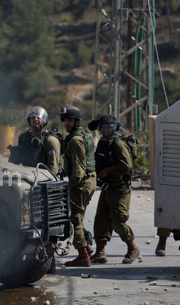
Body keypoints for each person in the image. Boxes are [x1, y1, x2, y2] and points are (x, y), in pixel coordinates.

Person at [88, 115, 140, 264]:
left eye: (108, 128)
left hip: (120, 189)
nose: (105, 131)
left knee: (117, 221)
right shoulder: (104, 143)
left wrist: (108, 171)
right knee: (101, 220)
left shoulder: (118, 144)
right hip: (107, 187)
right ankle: (100, 252)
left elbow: (126, 166)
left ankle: (132, 248)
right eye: (103, 128)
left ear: (114, 128)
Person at [60, 106, 97, 267]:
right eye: (65, 120)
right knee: (79, 216)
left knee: (76, 218)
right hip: (90, 180)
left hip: (82, 182)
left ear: (76, 121)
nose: (66, 123)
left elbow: (79, 171)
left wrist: (68, 186)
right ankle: (87, 246)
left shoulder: (75, 140)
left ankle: (83, 255)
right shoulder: (85, 136)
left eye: (69, 120)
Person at [8, 106, 62, 176]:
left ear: (44, 120)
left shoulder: (50, 140)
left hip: (44, 176)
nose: (35, 119)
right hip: (26, 174)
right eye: (33, 117)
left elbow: (53, 168)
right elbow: (16, 161)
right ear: (29, 120)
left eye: (38, 118)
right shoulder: (24, 138)